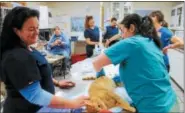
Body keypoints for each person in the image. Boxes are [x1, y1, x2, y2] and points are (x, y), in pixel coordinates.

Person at [0, 7, 89, 113]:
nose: (37, 32)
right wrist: (72, 104)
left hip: (41, 106)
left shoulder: (28, 48)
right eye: (31, 29)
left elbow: (37, 72)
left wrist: (57, 83)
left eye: (37, 27)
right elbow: (35, 95)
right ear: (16, 31)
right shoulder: (17, 57)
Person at [92, 14, 179, 113]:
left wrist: (101, 77)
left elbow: (96, 63)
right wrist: (120, 78)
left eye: (122, 30)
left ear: (131, 28)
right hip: (171, 102)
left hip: (155, 108)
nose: (122, 36)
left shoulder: (132, 42)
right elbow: (146, 71)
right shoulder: (150, 41)